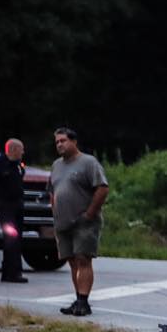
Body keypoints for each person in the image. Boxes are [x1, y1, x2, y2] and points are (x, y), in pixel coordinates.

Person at [48, 126, 109, 316]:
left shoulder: (88, 162)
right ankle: (77, 299)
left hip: (84, 221)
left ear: (74, 142)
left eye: (63, 141)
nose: (60, 144)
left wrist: (90, 213)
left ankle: (84, 301)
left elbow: (102, 188)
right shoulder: (56, 165)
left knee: (83, 259)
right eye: (57, 142)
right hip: (63, 222)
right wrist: (54, 210)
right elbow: (52, 190)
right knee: (72, 261)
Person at [0, 137, 28, 282]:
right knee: (11, 238)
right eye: (21, 149)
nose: (23, 152)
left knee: (17, 238)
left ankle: (12, 271)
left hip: (17, 206)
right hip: (5, 206)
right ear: (13, 149)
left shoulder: (18, 165)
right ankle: (11, 273)